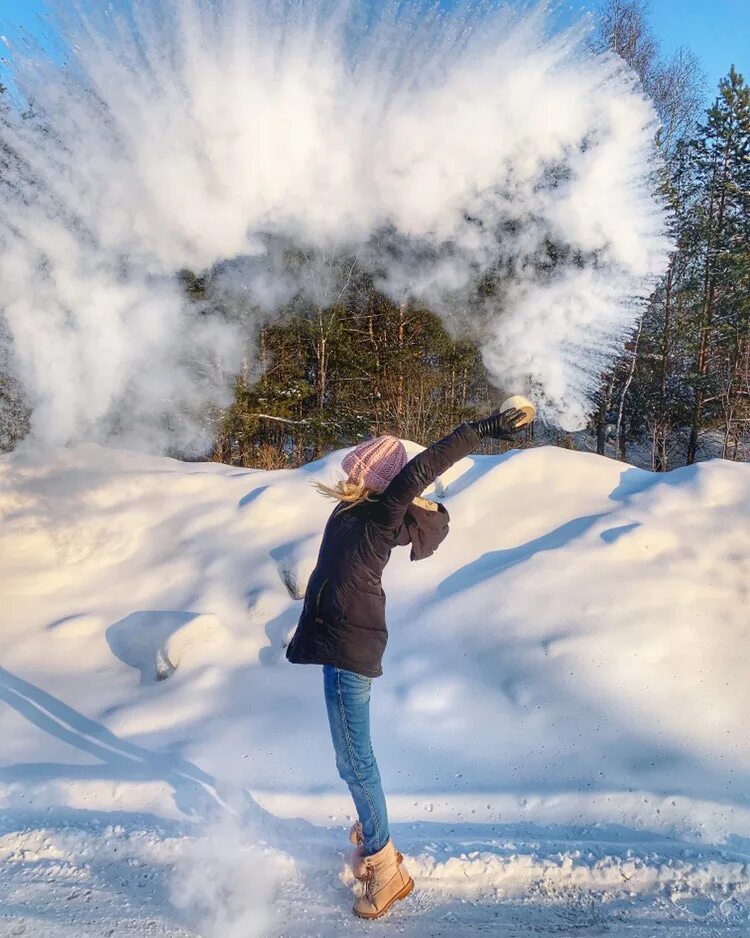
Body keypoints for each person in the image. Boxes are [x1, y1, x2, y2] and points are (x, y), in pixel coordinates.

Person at [285, 407, 527, 919]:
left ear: (376, 480)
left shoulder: (380, 514)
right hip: (338, 642)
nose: (348, 474)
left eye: (358, 469)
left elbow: (421, 470)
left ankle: (385, 865)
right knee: (350, 759)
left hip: (352, 646)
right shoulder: (352, 512)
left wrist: (483, 429)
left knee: (356, 760)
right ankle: (372, 832)